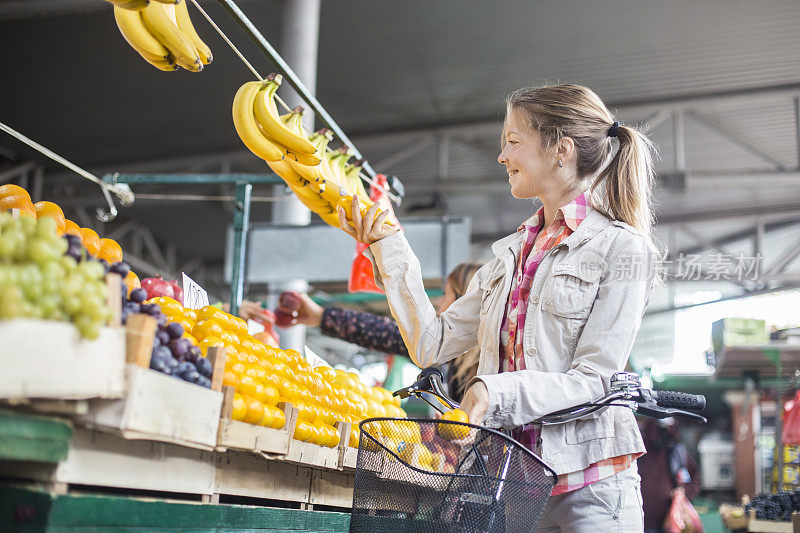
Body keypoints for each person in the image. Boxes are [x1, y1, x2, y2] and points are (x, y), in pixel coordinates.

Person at [339, 84, 661, 532]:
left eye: (513, 141)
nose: (501, 155)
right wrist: (388, 246)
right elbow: (432, 343)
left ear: (560, 150)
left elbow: (595, 380)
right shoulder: (510, 256)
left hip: (593, 491)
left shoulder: (624, 250)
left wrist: (496, 392)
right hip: (517, 490)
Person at [240, 262, 483, 402]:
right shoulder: (449, 355)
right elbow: (384, 333)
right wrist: (321, 316)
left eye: (447, 293)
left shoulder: (490, 367)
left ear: (463, 301)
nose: (439, 303)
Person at [639, 419, 701, 533]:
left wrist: (683, 492)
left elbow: (695, 476)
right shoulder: (639, 452)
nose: (663, 433)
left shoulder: (676, 452)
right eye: (659, 429)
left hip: (671, 521)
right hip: (643, 521)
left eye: (666, 429)